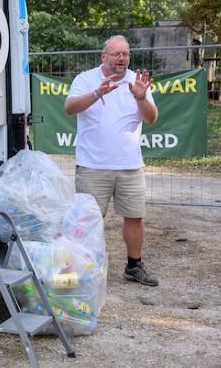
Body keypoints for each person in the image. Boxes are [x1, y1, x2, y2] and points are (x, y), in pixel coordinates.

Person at [64, 35, 159, 287]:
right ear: (103, 56)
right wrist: (97, 93)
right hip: (93, 166)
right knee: (89, 220)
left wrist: (141, 97)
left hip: (130, 166)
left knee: (135, 217)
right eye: (116, 53)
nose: (122, 58)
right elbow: (69, 107)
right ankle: (84, 270)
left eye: (126, 53)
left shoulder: (138, 83)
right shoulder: (85, 79)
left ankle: (134, 266)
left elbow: (152, 118)